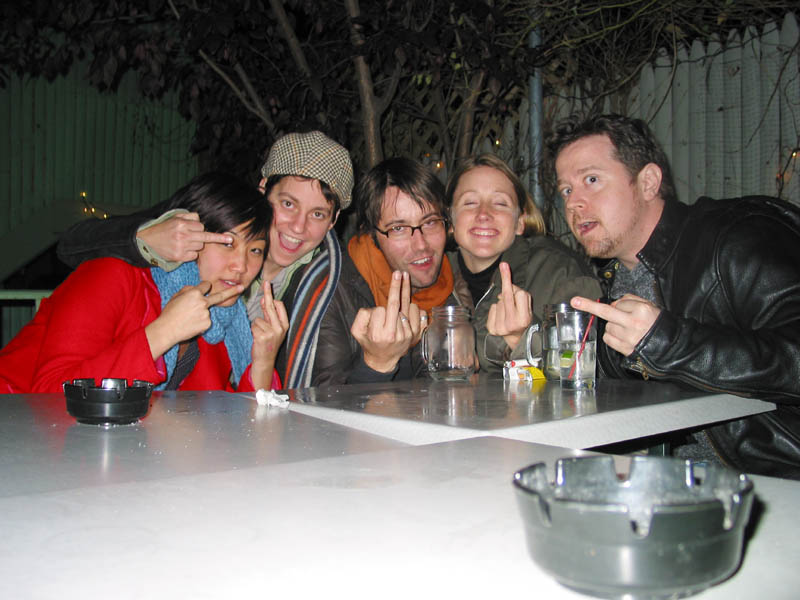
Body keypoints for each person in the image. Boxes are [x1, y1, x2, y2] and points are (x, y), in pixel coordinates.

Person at [548, 113, 800, 479]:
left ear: (648, 181)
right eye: (567, 190)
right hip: (665, 478)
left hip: (769, 483)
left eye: (591, 180)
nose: (574, 204)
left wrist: (667, 341)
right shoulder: (616, 279)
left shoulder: (738, 236)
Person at [57, 131, 354, 388]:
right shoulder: (196, 231)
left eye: (317, 214)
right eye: (288, 204)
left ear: (333, 220)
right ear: (263, 190)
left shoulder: (329, 285)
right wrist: (143, 240)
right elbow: (72, 244)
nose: (298, 226)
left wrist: (264, 362)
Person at [0, 172, 286, 393]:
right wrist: (162, 333)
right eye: (226, 243)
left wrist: (262, 364)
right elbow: (49, 394)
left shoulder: (221, 321)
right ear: (187, 234)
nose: (241, 266)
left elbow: (230, 429)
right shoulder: (113, 275)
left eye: (255, 250)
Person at [312, 157, 471, 385]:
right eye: (398, 228)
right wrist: (378, 363)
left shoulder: (454, 284)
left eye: (430, 222)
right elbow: (323, 406)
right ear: (371, 234)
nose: (421, 244)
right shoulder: (331, 290)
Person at [445, 154, 601, 375]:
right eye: (470, 202)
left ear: (519, 222)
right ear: (450, 221)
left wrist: (523, 339)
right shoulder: (434, 278)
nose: (484, 214)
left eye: (500, 203)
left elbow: (579, 373)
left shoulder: (562, 273)